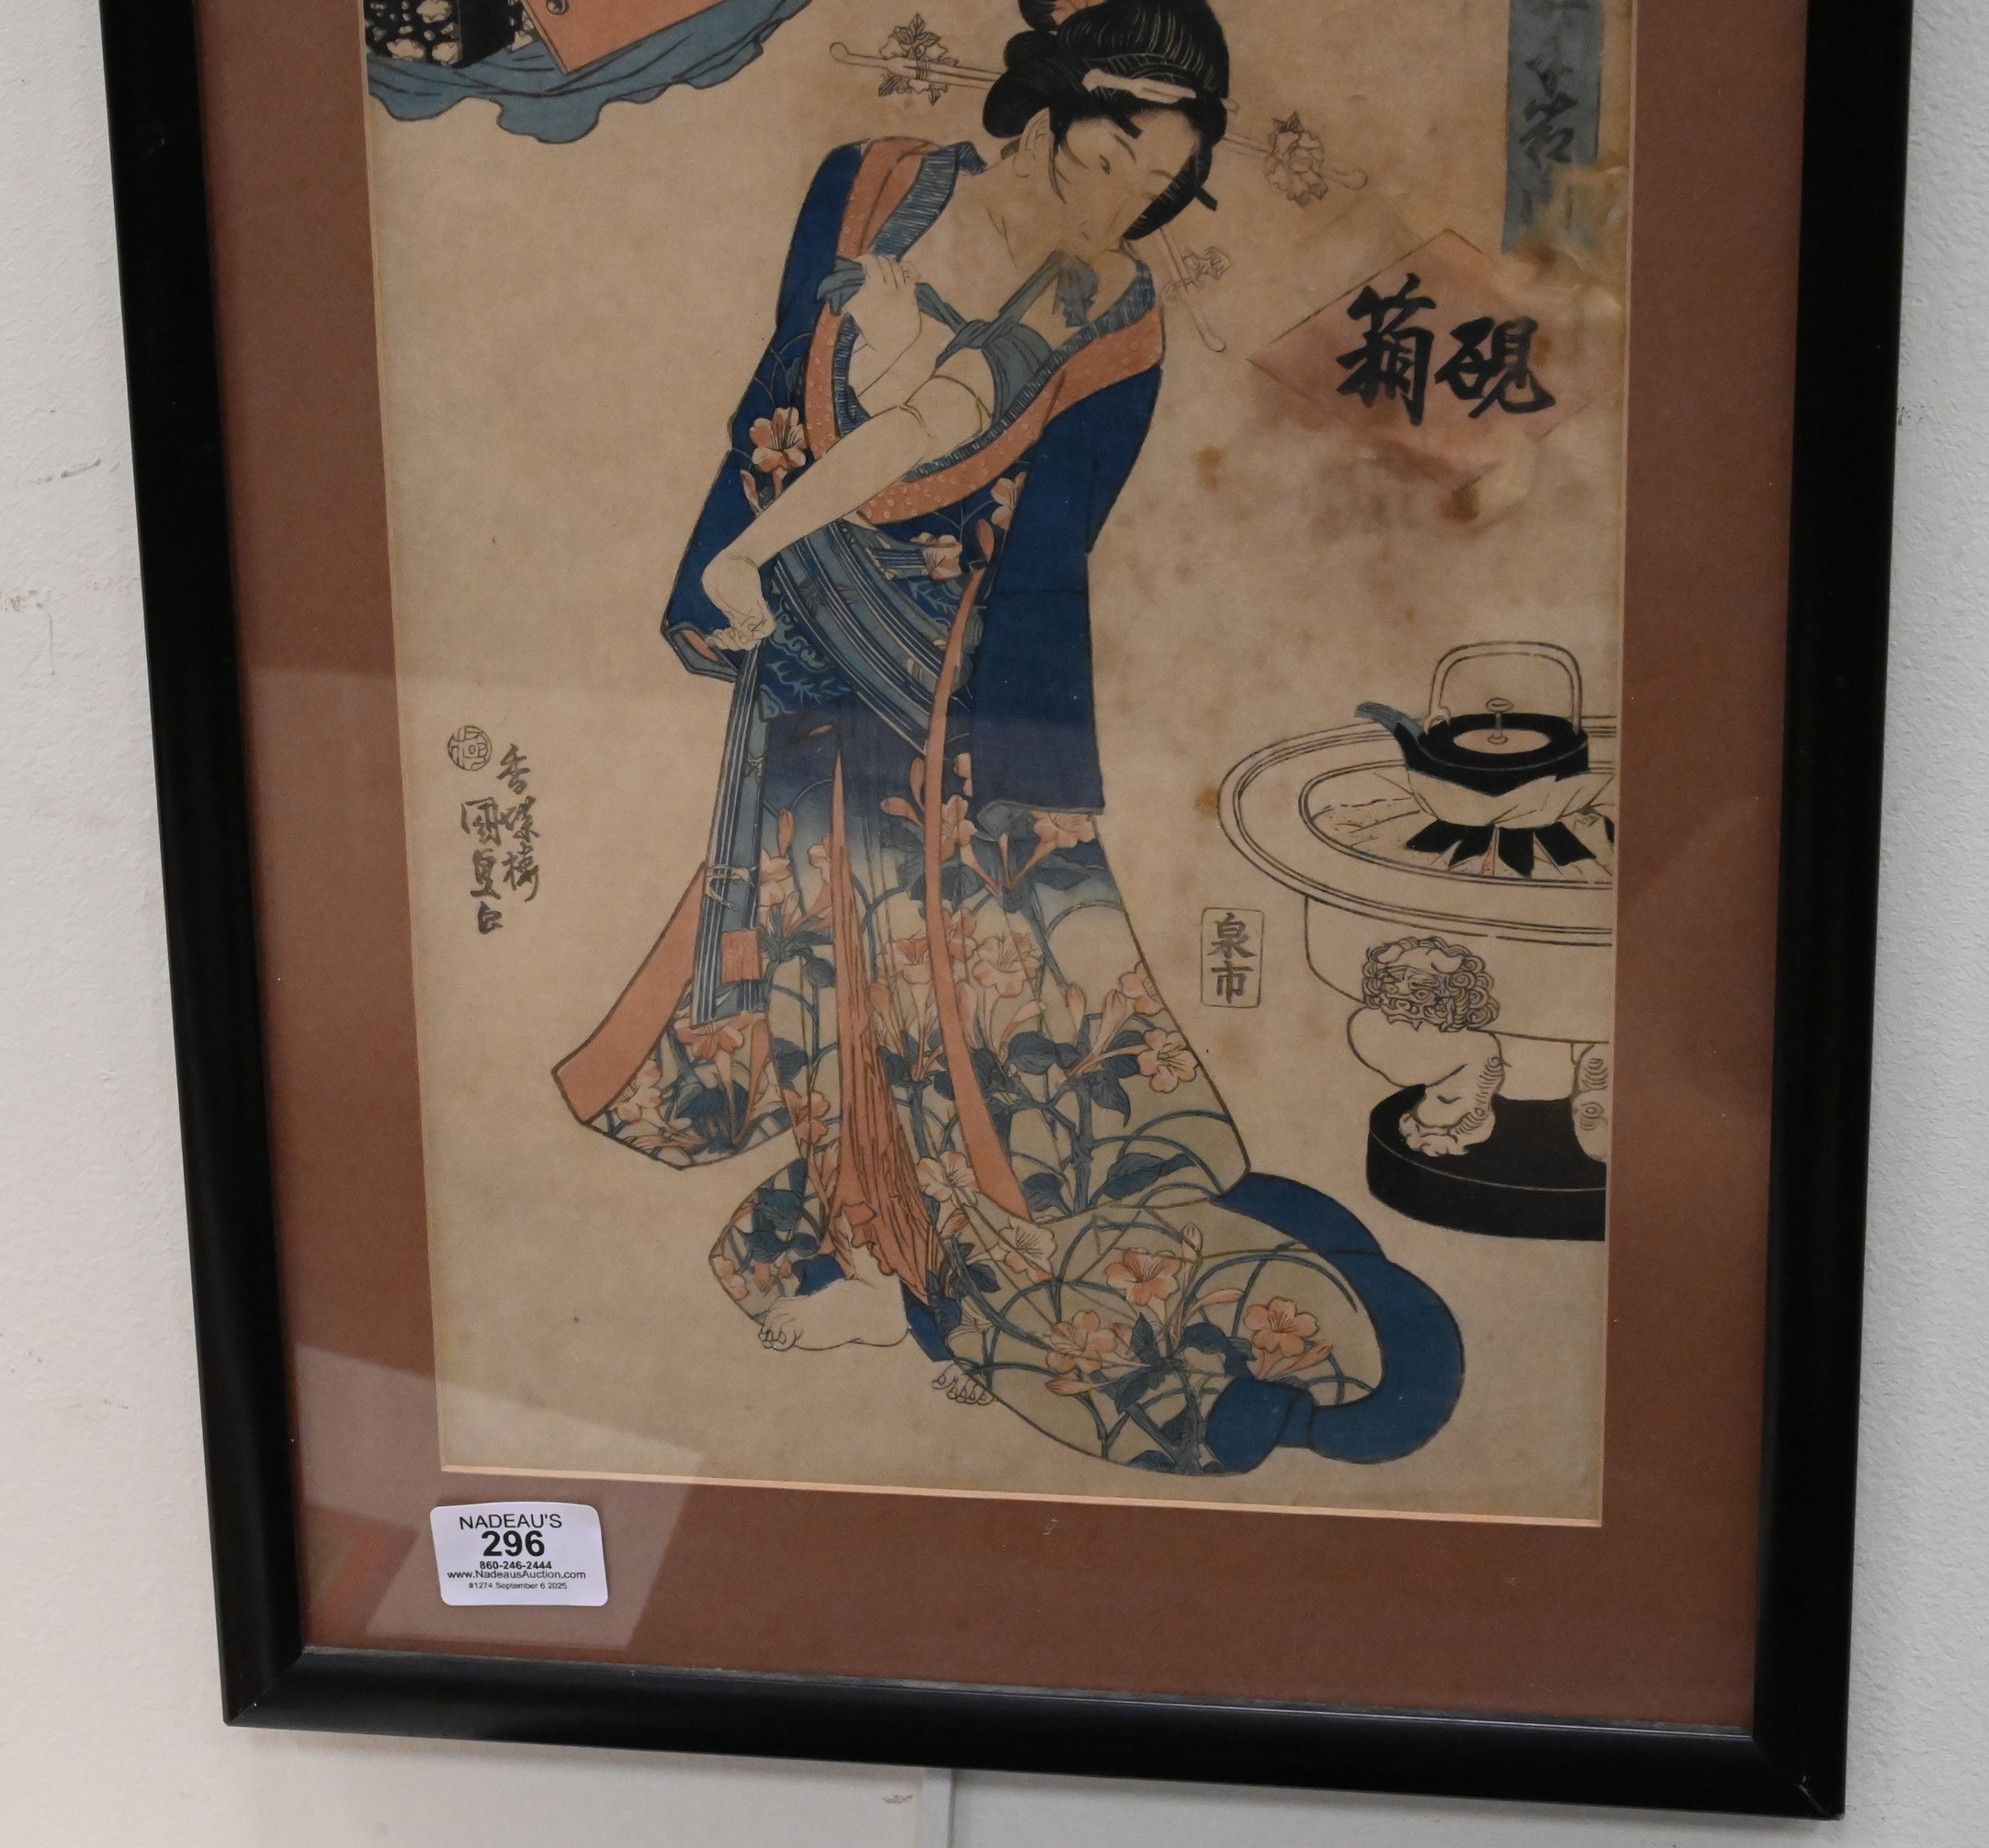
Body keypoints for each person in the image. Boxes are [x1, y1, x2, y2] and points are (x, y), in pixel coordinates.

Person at [553, 0, 1462, 1475]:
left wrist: (1008, 742)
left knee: (985, 1002)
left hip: (957, 685)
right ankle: (854, 1236)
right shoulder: (871, 184)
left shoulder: (1110, 306)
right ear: (1054, 99)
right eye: (1114, 153)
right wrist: (714, 570)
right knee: (830, 960)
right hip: (798, 641)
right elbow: (773, 400)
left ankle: (952, 1265)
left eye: (1161, 185)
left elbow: (1032, 528)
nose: (1125, 197)